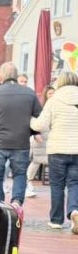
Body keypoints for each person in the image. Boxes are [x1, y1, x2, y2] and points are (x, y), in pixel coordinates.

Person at [0, 62, 42, 211]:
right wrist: (30, 131)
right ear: (16, 75)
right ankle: (16, 203)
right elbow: (39, 117)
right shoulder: (29, 93)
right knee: (20, 174)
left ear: (1, 76)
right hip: (21, 142)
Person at [30, 71, 78, 233]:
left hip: (57, 149)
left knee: (57, 185)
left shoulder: (54, 100)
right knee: (75, 183)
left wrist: (30, 119)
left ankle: (56, 220)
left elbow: (40, 126)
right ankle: (74, 211)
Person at [26, 85, 54, 198]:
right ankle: (28, 181)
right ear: (45, 95)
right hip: (41, 137)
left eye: (53, 93)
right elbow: (36, 122)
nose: (52, 95)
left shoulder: (56, 105)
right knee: (36, 161)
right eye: (50, 93)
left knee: (51, 161)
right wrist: (36, 134)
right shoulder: (42, 107)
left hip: (51, 138)